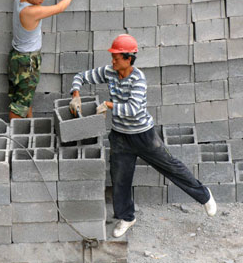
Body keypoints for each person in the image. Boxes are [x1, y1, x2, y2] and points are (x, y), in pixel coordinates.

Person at [69, 34, 217, 238]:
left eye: (117, 57)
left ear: (128, 59)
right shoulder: (110, 72)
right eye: (112, 57)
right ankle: (127, 217)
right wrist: (75, 94)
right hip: (121, 137)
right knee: (120, 179)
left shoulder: (138, 79)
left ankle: (204, 195)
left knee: (171, 166)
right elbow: (80, 76)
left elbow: (133, 109)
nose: (112, 61)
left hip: (143, 136)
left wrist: (109, 105)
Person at [8, 0, 76, 120]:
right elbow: (60, 8)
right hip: (28, 63)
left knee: (24, 98)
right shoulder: (31, 12)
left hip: (17, 58)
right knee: (19, 106)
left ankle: (28, 129)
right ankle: (14, 138)